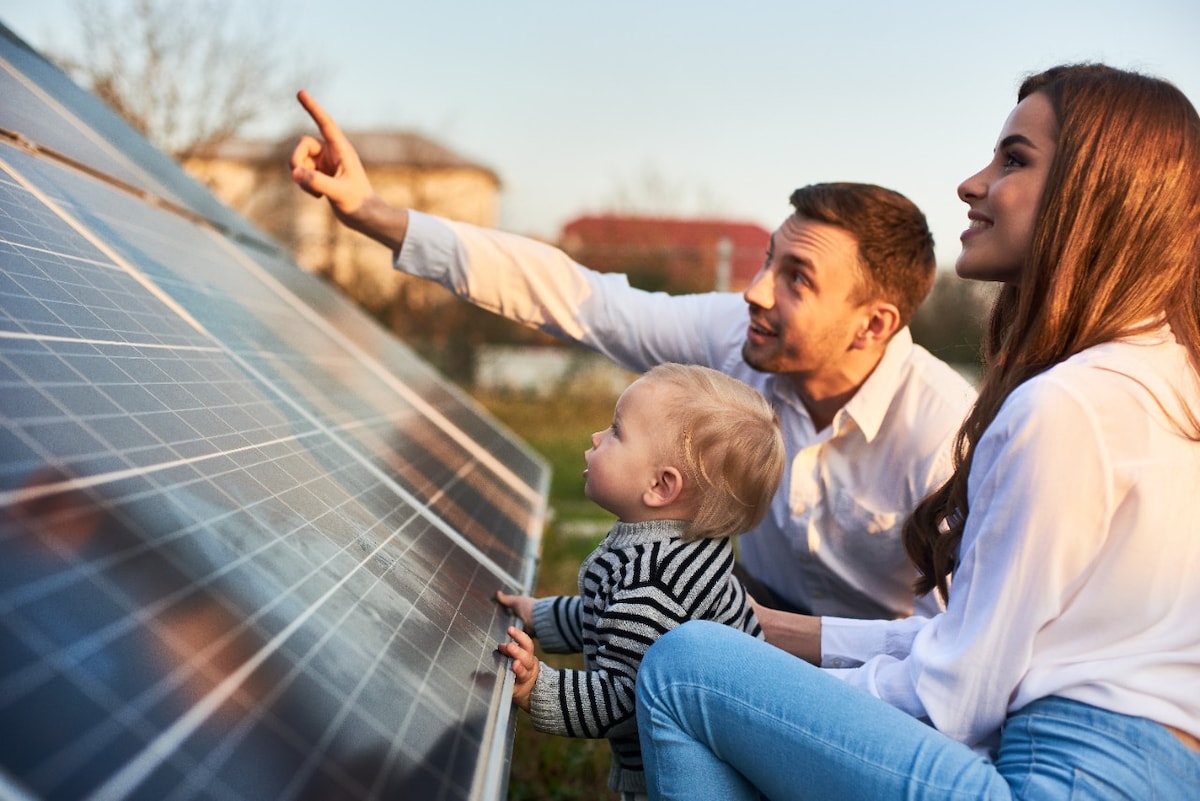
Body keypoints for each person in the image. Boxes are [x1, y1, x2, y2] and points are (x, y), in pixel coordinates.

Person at [632, 63, 1200, 799]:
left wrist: (764, 698)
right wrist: (764, 631)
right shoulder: (1169, 380)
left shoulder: (1066, 407)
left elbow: (955, 697)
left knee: (685, 668)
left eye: (1014, 159)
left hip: (1054, 780)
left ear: (1097, 195)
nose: (972, 182)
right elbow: (975, 636)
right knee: (722, 654)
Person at [289, 92, 977, 621]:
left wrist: (770, 645)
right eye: (769, 259)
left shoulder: (946, 434)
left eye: (797, 277)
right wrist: (375, 213)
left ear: (872, 324)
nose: (756, 289)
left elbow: (950, 653)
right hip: (753, 608)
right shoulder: (738, 337)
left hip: (881, 675)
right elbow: (579, 298)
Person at [494, 362, 785, 800]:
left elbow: (623, 699)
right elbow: (607, 616)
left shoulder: (653, 585)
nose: (596, 437)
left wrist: (540, 688)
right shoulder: (680, 548)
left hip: (684, 771)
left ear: (661, 487)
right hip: (722, 748)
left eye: (615, 432)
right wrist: (540, 615)